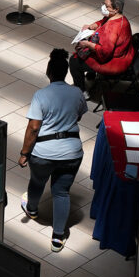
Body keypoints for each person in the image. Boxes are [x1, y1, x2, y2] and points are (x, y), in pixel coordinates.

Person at [19, 48, 87, 253]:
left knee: (38, 181)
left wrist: (24, 153)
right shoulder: (76, 93)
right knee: (61, 192)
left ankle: (31, 209)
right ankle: (58, 237)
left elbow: (33, 128)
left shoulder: (41, 95)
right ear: (66, 72)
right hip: (72, 153)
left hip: (43, 154)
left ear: (49, 72)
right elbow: (78, 115)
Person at [69, 0, 134, 96]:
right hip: (124, 56)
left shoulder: (112, 29)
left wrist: (87, 44)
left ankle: (82, 91)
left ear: (116, 9)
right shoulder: (119, 18)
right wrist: (91, 26)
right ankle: (91, 76)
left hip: (113, 62)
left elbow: (105, 52)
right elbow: (103, 21)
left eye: (107, 6)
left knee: (74, 61)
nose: (103, 7)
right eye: (104, 4)